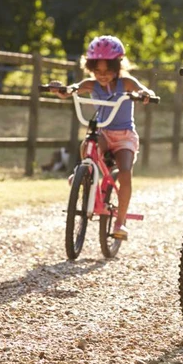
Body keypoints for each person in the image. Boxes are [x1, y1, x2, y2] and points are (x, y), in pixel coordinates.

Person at [50, 35, 156, 240]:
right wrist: (61, 89)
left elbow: (143, 89)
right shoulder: (91, 84)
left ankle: (120, 222)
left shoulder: (125, 83)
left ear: (117, 67)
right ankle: (84, 172)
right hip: (104, 133)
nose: (102, 76)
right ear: (90, 68)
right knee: (89, 142)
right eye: (97, 71)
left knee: (125, 171)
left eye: (107, 71)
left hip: (124, 136)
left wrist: (146, 94)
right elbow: (71, 89)